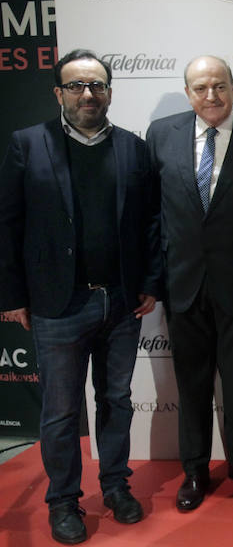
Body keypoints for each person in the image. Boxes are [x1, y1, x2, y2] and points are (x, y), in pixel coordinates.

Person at [0, 49, 162, 544]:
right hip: (57, 305)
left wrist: (150, 284)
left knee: (116, 400)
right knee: (61, 410)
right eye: (76, 86)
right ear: (59, 92)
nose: (88, 94)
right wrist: (13, 295)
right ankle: (63, 501)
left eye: (97, 85)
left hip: (119, 302)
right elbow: (7, 225)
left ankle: (115, 486)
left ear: (110, 91)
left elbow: (153, 223)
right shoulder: (27, 144)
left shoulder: (133, 148)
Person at [146, 55, 233, 511]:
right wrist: (154, 278)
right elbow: (152, 215)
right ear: (188, 92)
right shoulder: (160, 135)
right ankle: (194, 469)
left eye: (220, 86)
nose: (212, 96)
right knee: (191, 385)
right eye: (201, 87)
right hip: (183, 284)